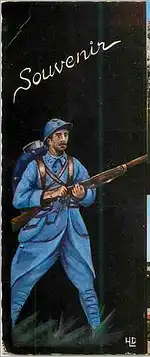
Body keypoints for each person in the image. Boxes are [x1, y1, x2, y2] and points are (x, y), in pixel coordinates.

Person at [11, 118, 101, 329]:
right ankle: (7, 331)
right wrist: (48, 194)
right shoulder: (35, 167)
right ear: (48, 140)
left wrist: (81, 196)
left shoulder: (74, 164)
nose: (63, 139)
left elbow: (91, 196)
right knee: (21, 282)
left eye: (66, 135)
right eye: (58, 135)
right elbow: (19, 199)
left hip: (72, 229)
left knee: (86, 284)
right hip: (41, 231)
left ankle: (98, 332)